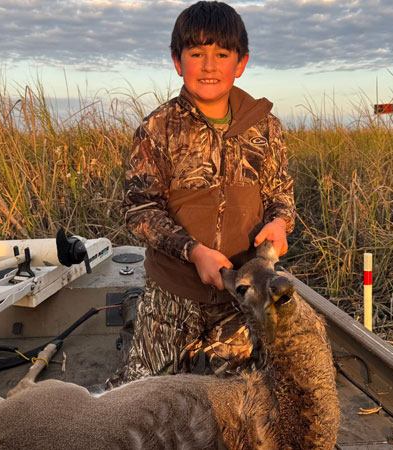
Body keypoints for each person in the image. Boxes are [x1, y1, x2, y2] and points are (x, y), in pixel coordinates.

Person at [108, 0, 295, 386]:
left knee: (242, 398)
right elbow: (140, 210)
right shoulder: (158, 128)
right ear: (178, 62)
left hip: (241, 296)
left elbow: (281, 195)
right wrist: (194, 252)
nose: (209, 66)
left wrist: (280, 223)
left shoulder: (266, 128)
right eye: (196, 54)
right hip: (172, 292)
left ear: (240, 63)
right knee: (141, 394)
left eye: (222, 55)